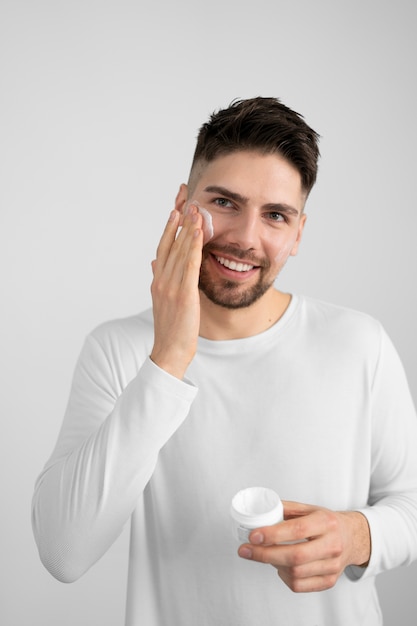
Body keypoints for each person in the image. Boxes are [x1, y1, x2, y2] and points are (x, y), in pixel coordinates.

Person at [32, 97, 417, 626]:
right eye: (225, 202)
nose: (245, 238)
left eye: (275, 215)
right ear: (182, 202)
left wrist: (359, 536)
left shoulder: (358, 343)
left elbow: (411, 503)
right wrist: (168, 357)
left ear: (298, 234)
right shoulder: (118, 351)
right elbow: (63, 552)